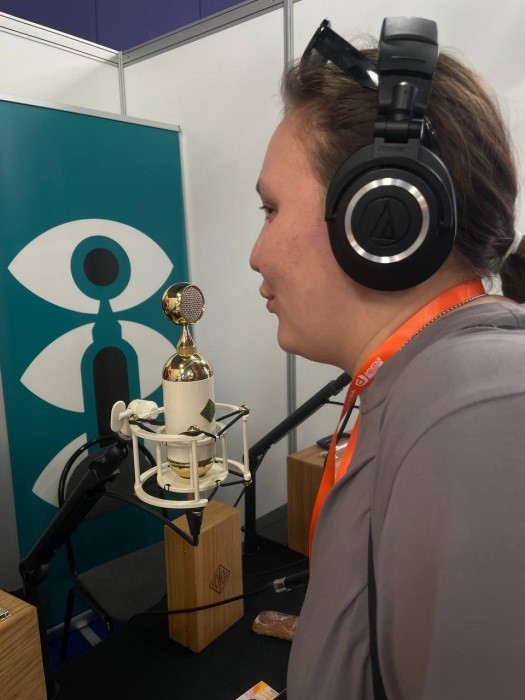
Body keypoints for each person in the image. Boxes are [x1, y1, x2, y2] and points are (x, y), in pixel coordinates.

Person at [250, 16, 525, 700]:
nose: (256, 255)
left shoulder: (473, 415)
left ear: (379, 221)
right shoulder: (422, 387)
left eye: (270, 210)